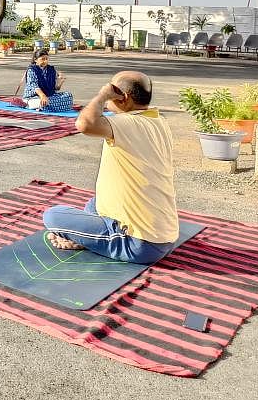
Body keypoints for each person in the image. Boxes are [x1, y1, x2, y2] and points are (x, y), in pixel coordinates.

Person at [42, 71, 178, 265]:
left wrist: (102, 96)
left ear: (123, 98)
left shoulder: (127, 123)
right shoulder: (157, 120)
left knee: (52, 216)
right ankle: (86, 237)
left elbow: (85, 124)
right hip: (164, 234)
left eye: (111, 89)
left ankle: (91, 240)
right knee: (95, 204)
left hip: (140, 244)